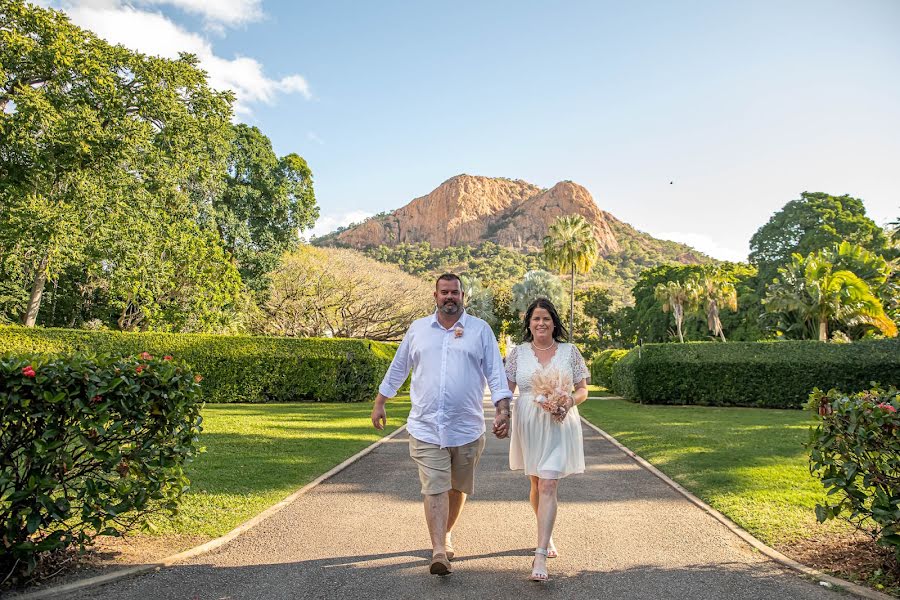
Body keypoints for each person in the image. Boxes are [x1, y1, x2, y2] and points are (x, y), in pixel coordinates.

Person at [371, 273, 512, 576]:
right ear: (434, 296)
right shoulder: (418, 329)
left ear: (464, 297)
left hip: (467, 428)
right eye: (444, 292)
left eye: (455, 293)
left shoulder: (480, 330)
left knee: (457, 488)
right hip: (426, 426)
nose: (450, 297)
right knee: (435, 486)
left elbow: (495, 374)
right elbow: (399, 366)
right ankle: (438, 550)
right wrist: (381, 401)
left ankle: (446, 534)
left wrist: (503, 409)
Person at [502, 297, 590, 582]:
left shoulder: (570, 352)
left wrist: (568, 401)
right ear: (529, 323)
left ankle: (540, 553)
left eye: (546, 318)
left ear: (554, 323)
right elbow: (507, 388)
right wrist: (501, 413)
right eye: (536, 318)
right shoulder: (518, 354)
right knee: (536, 483)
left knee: (549, 482)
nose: (541, 323)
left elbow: (582, 390)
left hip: (559, 423)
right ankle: (546, 532)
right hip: (529, 423)